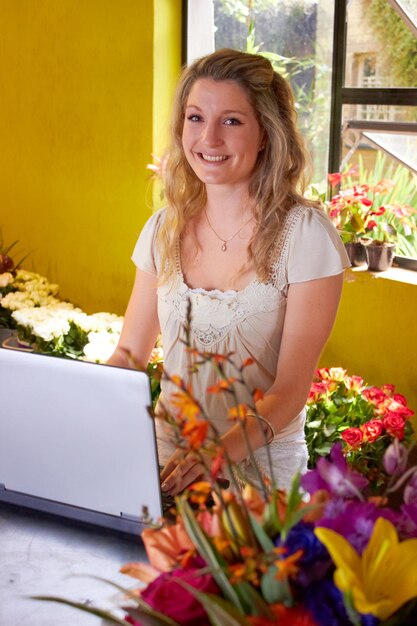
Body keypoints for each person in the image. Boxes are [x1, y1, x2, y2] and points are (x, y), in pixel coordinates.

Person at [108, 48, 350, 496]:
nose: (209, 139)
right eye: (196, 118)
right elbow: (128, 354)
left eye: (232, 121)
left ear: (265, 134)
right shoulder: (164, 227)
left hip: (259, 485)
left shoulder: (305, 235)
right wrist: (84, 405)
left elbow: (291, 390)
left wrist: (213, 455)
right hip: (159, 470)